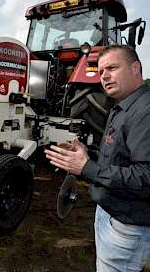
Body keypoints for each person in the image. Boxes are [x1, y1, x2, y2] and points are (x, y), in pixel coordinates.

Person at [45, 44, 150, 271]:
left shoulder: (145, 111)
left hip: (126, 225)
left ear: (135, 68)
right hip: (109, 213)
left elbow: (145, 177)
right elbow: (118, 159)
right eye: (101, 71)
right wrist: (87, 155)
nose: (104, 76)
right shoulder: (121, 107)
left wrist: (86, 168)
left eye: (112, 68)